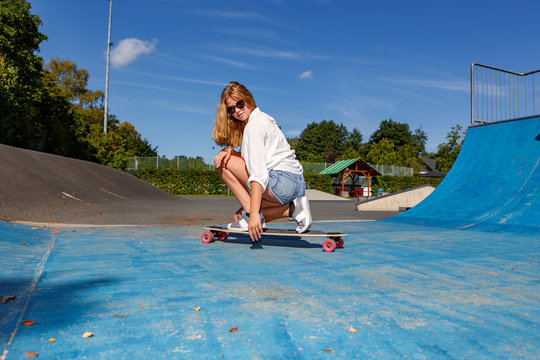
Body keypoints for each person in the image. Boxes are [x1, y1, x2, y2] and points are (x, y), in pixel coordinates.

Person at [212, 81, 311, 243]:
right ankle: (292, 209)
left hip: (281, 182)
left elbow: (258, 174)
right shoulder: (262, 119)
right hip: (294, 182)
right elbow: (252, 160)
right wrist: (231, 150)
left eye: (240, 104)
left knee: (222, 163)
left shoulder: (253, 126)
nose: (237, 110)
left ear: (248, 99)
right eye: (231, 109)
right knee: (239, 215)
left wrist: (252, 217)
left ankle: (255, 214)